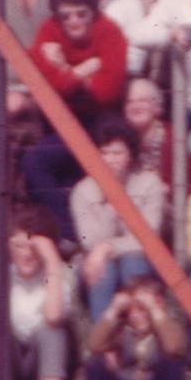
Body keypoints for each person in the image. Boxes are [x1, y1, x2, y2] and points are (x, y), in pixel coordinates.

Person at [25, 0, 129, 234]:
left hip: (101, 122)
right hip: (62, 120)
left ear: (93, 12)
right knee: (34, 162)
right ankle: (70, 230)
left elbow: (107, 92)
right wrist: (84, 70)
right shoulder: (49, 30)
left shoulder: (109, 31)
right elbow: (49, 86)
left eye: (81, 14)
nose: (74, 22)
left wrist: (63, 69)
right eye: (66, 16)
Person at [69, 116, 166, 319]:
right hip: (96, 264)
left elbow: (148, 237)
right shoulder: (83, 191)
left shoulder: (149, 183)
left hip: (141, 261)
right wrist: (110, 205)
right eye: (103, 152)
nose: (110, 159)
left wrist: (107, 248)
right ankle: (104, 343)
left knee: (133, 262)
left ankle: (140, 336)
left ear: (130, 154)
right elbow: (89, 242)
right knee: (104, 270)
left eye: (117, 152)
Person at [85, 277, 188, 380]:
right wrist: (114, 309)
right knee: (94, 362)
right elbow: (93, 345)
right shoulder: (120, 332)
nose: (137, 315)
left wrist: (153, 309)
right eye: (130, 310)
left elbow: (174, 347)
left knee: (172, 359)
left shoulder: (165, 329)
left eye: (143, 308)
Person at [8, 207, 74, 380]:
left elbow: (54, 316)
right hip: (10, 358)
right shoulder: (4, 275)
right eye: (19, 246)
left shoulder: (57, 274)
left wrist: (53, 263)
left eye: (33, 247)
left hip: (41, 357)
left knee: (51, 330)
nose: (26, 254)